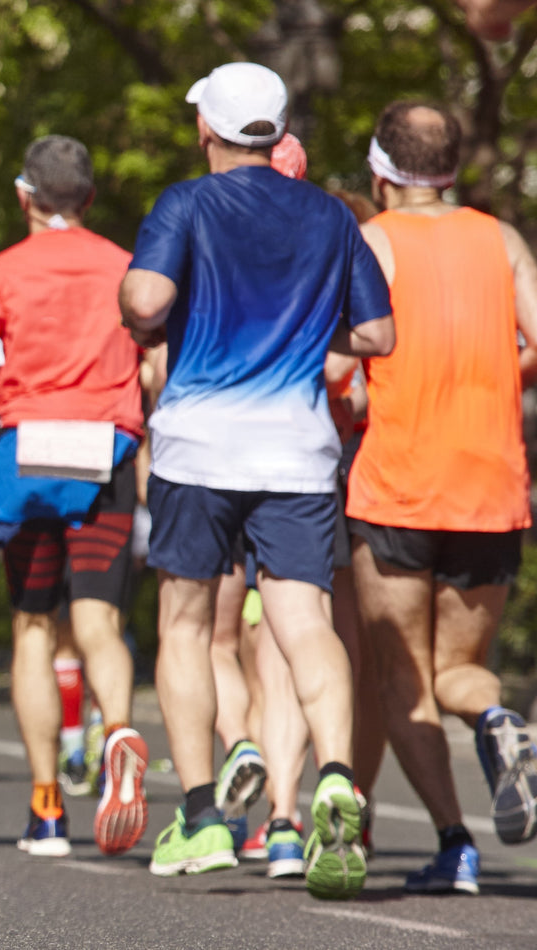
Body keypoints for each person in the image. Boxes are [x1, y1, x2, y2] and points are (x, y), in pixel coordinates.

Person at [118, 62, 394, 900]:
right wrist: (307, 339)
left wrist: (140, 300)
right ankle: (337, 778)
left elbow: (147, 299)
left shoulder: (185, 205)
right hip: (299, 448)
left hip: (200, 446)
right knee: (305, 619)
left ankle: (201, 815)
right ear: (274, 131)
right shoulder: (328, 217)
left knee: (187, 623)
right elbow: (378, 335)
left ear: (209, 128)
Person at [348, 100, 537, 892]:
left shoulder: (372, 242)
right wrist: (496, 376)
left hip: (398, 484)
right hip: (491, 485)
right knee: (462, 671)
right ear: (452, 167)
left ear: (379, 171)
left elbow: (340, 356)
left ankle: (455, 843)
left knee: (403, 681)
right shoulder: (502, 239)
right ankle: (501, 722)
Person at [0, 135, 149, 858]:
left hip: (32, 455)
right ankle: (119, 730)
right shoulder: (127, 266)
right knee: (100, 623)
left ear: (23, 197)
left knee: (33, 628)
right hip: (108, 456)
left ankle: (46, 809)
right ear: (89, 199)